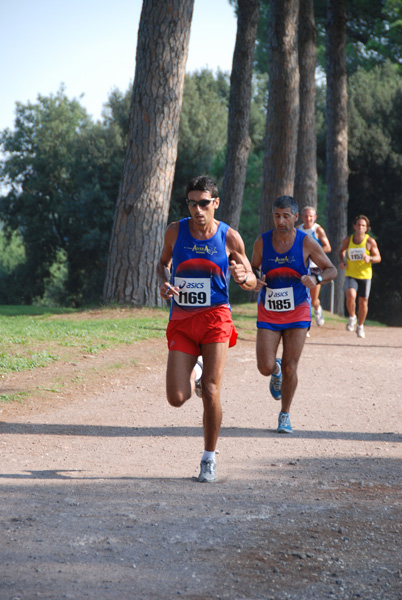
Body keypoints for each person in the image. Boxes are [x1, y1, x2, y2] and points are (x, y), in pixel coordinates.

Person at [157, 175, 256, 483]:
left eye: (203, 203)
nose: (197, 209)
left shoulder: (230, 238)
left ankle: (209, 458)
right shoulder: (176, 231)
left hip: (215, 318)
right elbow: (163, 263)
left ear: (215, 203)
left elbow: (253, 281)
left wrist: (242, 277)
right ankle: (196, 372)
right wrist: (165, 282)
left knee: (212, 390)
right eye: (191, 203)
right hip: (183, 320)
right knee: (176, 397)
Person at [251, 196, 337, 434]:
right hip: (269, 309)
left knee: (291, 365)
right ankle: (274, 372)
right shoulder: (262, 241)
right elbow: (254, 266)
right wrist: (255, 279)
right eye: (277, 215)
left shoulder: (306, 242)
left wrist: (316, 278)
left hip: (298, 308)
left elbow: (332, 269)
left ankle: (285, 415)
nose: (281, 220)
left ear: (295, 217)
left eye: (286, 216)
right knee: (265, 366)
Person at [339, 215, 381, 339]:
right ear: (354, 226)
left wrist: (371, 258)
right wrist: (343, 261)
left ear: (366, 228)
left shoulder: (370, 241)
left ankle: (360, 326)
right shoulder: (348, 240)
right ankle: (352, 316)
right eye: (358, 225)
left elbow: (378, 257)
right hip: (351, 274)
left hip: (365, 276)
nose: (360, 227)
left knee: (363, 303)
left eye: (363, 225)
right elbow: (341, 251)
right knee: (350, 295)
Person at [298, 206, 332, 328]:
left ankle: (317, 309)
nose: (308, 218)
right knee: (301, 297)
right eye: (306, 216)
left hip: (315, 267)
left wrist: (314, 253)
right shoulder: (298, 229)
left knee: (313, 299)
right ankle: (304, 325)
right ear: (302, 217)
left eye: (311, 216)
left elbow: (328, 247)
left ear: (315, 217)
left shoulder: (318, 230)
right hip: (302, 267)